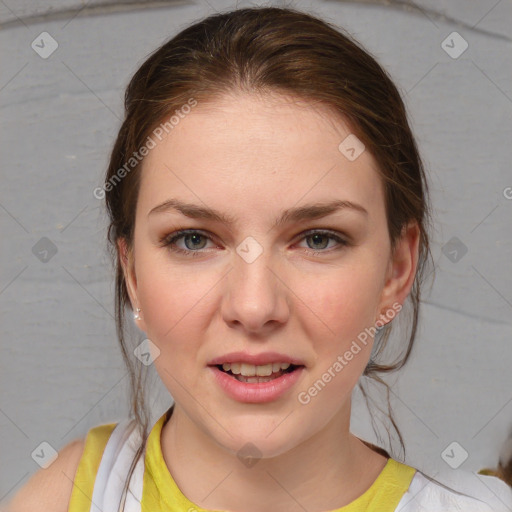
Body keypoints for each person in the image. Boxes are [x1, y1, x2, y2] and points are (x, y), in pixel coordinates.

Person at [5, 6, 512, 512]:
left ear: (396, 271)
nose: (253, 307)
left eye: (317, 239)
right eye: (193, 240)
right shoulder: (67, 497)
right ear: (133, 274)